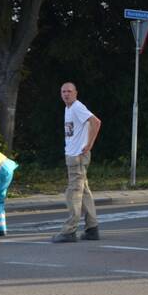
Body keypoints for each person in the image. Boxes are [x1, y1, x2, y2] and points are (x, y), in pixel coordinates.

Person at [52, 82, 102, 243]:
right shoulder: (68, 108)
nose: (66, 94)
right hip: (73, 156)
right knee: (84, 191)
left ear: (76, 93)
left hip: (78, 157)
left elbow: (96, 122)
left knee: (73, 193)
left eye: (69, 91)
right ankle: (92, 228)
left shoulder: (77, 107)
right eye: (63, 91)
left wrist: (89, 144)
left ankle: (69, 230)